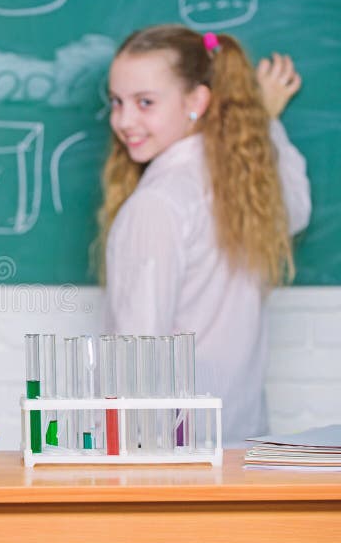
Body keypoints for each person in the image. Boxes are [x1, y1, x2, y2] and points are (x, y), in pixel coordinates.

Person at [98, 25, 311, 446]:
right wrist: (266, 121)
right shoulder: (247, 187)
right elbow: (297, 209)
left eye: (145, 102)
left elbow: (136, 355)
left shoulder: (158, 203)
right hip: (241, 440)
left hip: (173, 453)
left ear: (197, 101)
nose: (124, 121)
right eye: (117, 102)